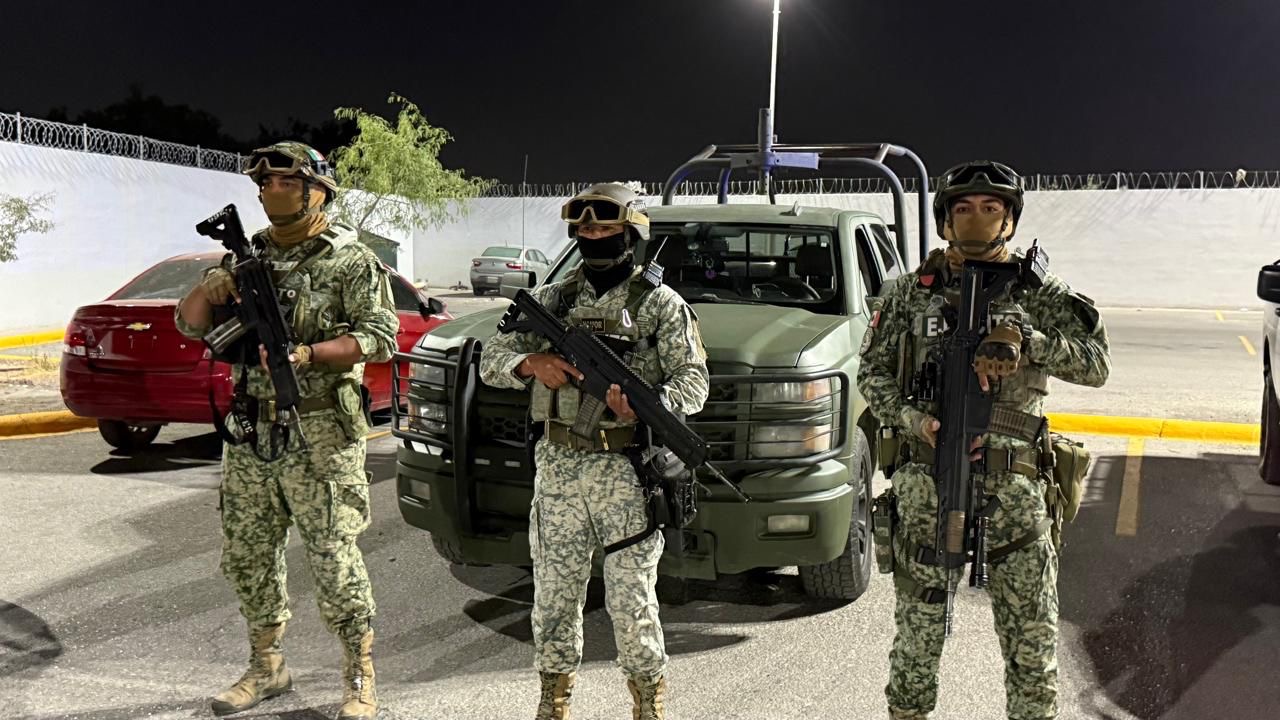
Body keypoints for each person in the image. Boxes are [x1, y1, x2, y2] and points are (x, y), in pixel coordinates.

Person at [857, 160, 1111, 719]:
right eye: (964, 208)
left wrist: (1029, 338)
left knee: (1031, 644)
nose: (977, 217)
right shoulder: (909, 293)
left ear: (1010, 220)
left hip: (1016, 493)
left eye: (991, 208)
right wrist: (910, 419)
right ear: (945, 221)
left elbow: (1097, 364)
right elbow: (870, 372)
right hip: (929, 486)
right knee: (918, 640)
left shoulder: (1038, 292)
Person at [174, 141, 398, 720]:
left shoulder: (350, 260)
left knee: (334, 559)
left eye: (286, 182)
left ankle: (359, 676)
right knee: (248, 553)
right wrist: (209, 285)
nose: (272, 191)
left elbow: (380, 337)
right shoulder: (245, 257)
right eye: (265, 184)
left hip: (321, 433)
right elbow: (189, 324)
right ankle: (267, 665)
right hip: (252, 433)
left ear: (317, 191)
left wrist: (309, 354)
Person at [479, 182, 709, 720]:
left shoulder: (660, 305)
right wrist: (530, 364)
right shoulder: (553, 300)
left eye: (605, 227)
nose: (593, 235)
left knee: (631, 603)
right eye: (584, 228)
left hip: (626, 476)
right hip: (558, 471)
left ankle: (648, 704)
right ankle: (553, 701)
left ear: (630, 233)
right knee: (554, 598)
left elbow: (694, 382)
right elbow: (491, 358)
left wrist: (651, 404)